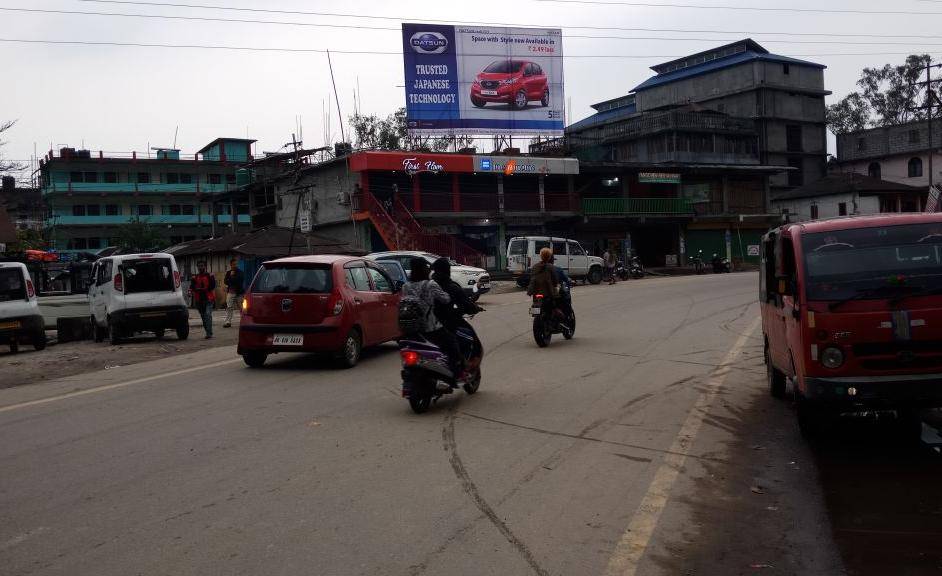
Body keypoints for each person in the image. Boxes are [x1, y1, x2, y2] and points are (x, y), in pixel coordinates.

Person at [402, 258, 460, 384]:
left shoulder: (405, 286)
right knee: (452, 344)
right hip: (431, 328)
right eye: (427, 268)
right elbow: (446, 299)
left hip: (411, 329)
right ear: (423, 269)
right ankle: (454, 375)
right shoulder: (430, 284)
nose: (429, 270)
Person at [431, 258, 483, 378]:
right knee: (473, 340)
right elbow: (466, 305)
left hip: (429, 326)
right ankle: (464, 367)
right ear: (447, 271)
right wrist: (474, 308)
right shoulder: (451, 287)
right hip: (449, 323)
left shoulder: (427, 286)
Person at [190, 261, 216, 339]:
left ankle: (209, 333)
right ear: (197, 267)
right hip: (199, 300)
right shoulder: (195, 277)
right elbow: (192, 287)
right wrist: (191, 291)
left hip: (208, 299)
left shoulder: (209, 276)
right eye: (199, 266)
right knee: (203, 316)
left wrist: (202, 289)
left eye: (202, 266)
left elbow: (212, 286)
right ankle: (208, 331)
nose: (200, 267)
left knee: (207, 314)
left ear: (205, 267)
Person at [223, 258, 245, 328]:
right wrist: (230, 278)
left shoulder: (240, 272)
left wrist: (231, 277)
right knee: (229, 307)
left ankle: (244, 321)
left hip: (239, 293)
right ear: (231, 265)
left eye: (236, 264)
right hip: (231, 292)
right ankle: (228, 322)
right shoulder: (228, 273)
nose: (235, 265)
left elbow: (238, 281)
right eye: (233, 264)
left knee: (241, 307)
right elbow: (225, 281)